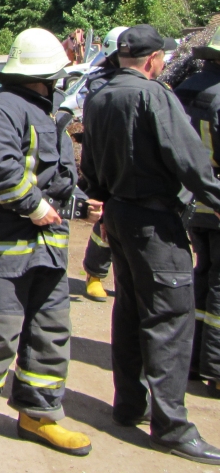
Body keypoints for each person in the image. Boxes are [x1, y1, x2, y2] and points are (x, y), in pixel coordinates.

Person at [82, 24, 220, 465]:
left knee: (129, 311)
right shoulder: (154, 95)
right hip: (156, 224)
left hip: (119, 216)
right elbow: (190, 159)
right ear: (154, 60)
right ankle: (172, 428)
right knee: (169, 320)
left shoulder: (99, 96)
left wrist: (104, 206)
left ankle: (129, 405)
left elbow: (90, 167)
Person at [0, 28, 92, 457]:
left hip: (48, 248)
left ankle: (38, 415)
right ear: (46, 75)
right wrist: (34, 205)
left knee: (50, 333)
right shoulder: (3, 110)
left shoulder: (46, 113)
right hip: (3, 250)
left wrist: (82, 203)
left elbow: (58, 177)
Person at [174, 29, 220, 391]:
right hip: (217, 199)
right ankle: (216, 368)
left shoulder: (186, 88)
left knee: (202, 275)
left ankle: (191, 360)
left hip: (192, 200)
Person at [80, 25, 128, 302]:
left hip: (133, 162)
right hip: (108, 161)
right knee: (105, 220)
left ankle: (127, 279)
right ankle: (95, 274)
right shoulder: (100, 85)